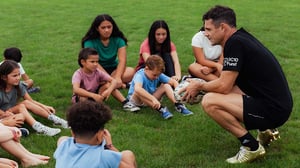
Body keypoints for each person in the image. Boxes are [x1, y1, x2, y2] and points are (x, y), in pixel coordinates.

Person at [182, 5, 293, 163]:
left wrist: (199, 87)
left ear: (223, 27)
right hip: (277, 104)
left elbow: (223, 86)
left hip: (274, 109)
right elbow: (228, 84)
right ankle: (265, 130)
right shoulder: (239, 39)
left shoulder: (235, 44)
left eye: (208, 29)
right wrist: (200, 89)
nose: (205, 34)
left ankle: (251, 147)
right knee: (219, 93)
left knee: (210, 102)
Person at [54, 101, 137, 168]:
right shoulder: (105, 157)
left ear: (72, 132)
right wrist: (110, 146)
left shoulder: (63, 146)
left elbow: (62, 139)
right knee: (128, 154)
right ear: (100, 135)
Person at [0, 60, 68, 136]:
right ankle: (39, 129)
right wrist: (5, 114)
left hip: (12, 112)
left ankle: (56, 120)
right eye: (14, 76)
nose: (18, 78)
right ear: (3, 77)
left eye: (19, 75)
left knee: (26, 103)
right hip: (3, 116)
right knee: (21, 106)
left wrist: (44, 106)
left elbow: (30, 100)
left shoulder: (18, 85)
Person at [72, 48, 139, 111]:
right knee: (83, 97)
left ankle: (126, 103)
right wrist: (93, 95)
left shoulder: (97, 72)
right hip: (83, 97)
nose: (95, 64)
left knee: (108, 85)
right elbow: (76, 89)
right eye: (92, 62)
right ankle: (87, 110)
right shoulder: (78, 74)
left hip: (96, 95)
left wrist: (109, 91)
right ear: (83, 62)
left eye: (97, 62)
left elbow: (113, 81)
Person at [128, 55, 193, 119]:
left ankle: (178, 105)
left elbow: (173, 82)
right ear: (146, 69)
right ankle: (161, 109)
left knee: (166, 86)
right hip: (136, 100)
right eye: (154, 75)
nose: (156, 77)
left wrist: (179, 92)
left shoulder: (157, 74)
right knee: (138, 91)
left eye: (158, 75)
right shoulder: (140, 75)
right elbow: (138, 89)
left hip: (151, 99)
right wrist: (153, 99)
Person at [81, 14, 135, 89]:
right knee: (93, 78)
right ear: (97, 28)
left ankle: (108, 84)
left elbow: (122, 60)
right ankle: (118, 85)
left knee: (131, 72)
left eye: (109, 27)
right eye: (103, 28)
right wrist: (110, 79)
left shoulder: (118, 39)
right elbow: (92, 62)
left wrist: (118, 77)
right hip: (95, 69)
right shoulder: (89, 42)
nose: (107, 30)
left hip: (113, 69)